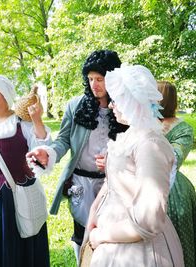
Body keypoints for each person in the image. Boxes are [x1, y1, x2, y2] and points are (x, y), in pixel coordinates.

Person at [26, 50, 129, 264]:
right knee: (82, 233)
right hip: (81, 183)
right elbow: (63, 140)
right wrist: (49, 152)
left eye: (100, 79)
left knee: (110, 235)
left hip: (113, 183)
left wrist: (115, 162)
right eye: (90, 79)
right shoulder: (76, 106)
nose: (94, 84)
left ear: (113, 78)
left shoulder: (123, 109)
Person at [82, 64, 184, 267]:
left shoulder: (150, 145)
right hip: (114, 235)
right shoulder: (131, 135)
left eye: (116, 100)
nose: (111, 105)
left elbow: (148, 222)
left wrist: (101, 235)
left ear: (133, 102)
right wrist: (94, 211)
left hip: (138, 252)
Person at [0, 75, 51, 267]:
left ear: (5, 95)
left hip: (20, 197)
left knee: (23, 245)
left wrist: (37, 120)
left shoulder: (21, 124)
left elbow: (44, 150)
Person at [158, 81, 196, 267]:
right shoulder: (141, 122)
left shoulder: (183, 129)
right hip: (144, 182)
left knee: (178, 238)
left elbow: (174, 159)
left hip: (173, 189)